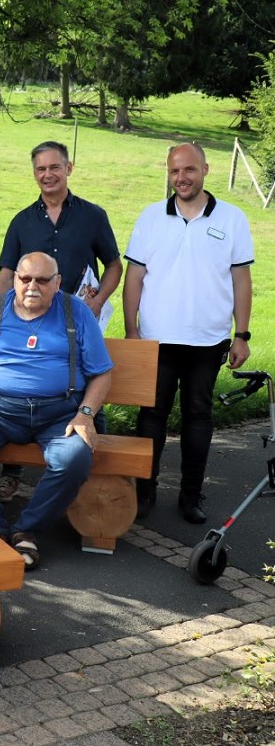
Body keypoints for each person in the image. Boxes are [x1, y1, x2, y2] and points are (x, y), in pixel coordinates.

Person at [0, 252, 113, 570]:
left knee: (74, 459)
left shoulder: (76, 312)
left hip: (59, 413)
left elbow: (102, 372)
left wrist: (85, 414)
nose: (32, 286)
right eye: (25, 278)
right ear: (14, 279)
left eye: (42, 280)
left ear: (57, 283)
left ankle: (28, 530)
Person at [123, 143, 254, 524]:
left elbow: (241, 278)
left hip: (208, 339)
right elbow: (135, 276)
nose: (181, 178)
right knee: (151, 417)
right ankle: (144, 494)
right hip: (156, 339)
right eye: (175, 171)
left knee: (199, 416)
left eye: (190, 170)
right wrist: (132, 331)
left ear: (206, 170)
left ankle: (191, 496)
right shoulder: (151, 217)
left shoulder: (232, 219)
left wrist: (241, 333)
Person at [0, 141, 122, 504]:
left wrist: (99, 300)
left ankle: (94, 476)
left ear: (69, 168)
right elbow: (5, 273)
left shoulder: (93, 215)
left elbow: (114, 265)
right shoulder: (22, 220)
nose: (47, 175)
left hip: (79, 318)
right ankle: (12, 475)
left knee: (88, 382)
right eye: (40, 169)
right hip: (29, 321)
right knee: (22, 384)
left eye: (54, 167)